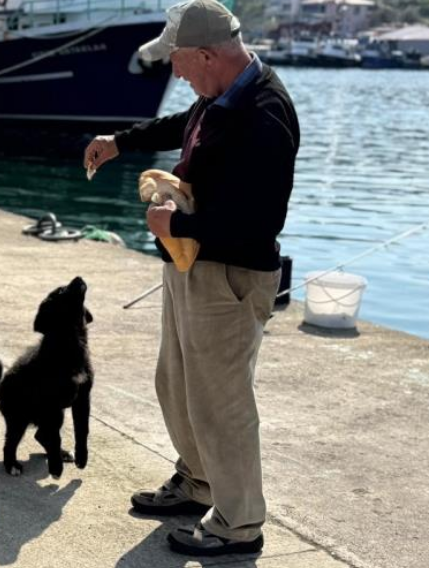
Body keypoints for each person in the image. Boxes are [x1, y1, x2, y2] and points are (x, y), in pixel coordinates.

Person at [84, 0, 300, 557]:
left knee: (222, 402)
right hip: (192, 265)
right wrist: (122, 140)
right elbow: (188, 126)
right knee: (176, 383)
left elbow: (258, 224)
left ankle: (239, 521)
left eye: (178, 62)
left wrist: (173, 221)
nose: (174, 73)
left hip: (229, 275)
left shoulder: (265, 113)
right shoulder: (217, 96)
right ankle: (199, 482)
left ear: (207, 54)